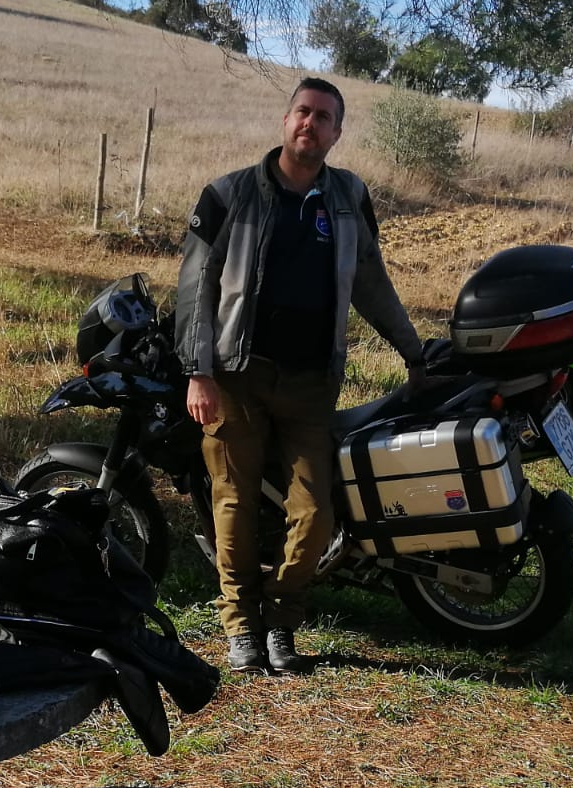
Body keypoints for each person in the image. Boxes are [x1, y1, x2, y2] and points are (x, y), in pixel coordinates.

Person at [174, 77, 425, 674]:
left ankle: (282, 620)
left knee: (316, 514)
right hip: (237, 378)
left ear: (337, 134)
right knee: (233, 504)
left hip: (312, 385)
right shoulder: (228, 195)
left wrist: (414, 351)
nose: (311, 123)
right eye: (303, 112)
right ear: (285, 121)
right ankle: (241, 626)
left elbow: (370, 282)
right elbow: (194, 289)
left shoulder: (349, 197)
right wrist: (198, 372)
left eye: (324, 117)